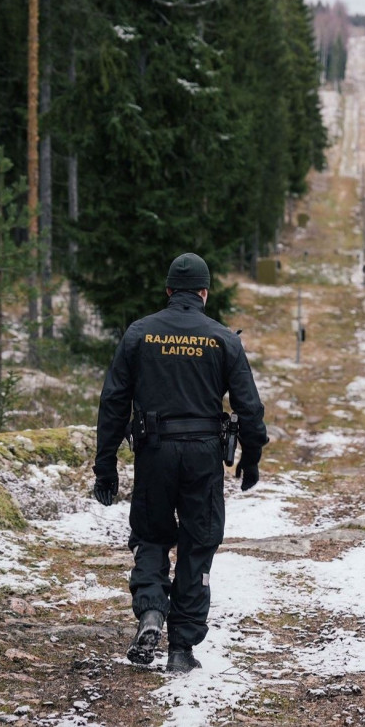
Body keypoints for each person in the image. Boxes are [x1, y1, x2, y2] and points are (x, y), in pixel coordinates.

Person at [91, 252, 267, 673]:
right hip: (204, 456)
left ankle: (151, 610)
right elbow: (250, 409)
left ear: (169, 290)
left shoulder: (139, 334)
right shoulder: (223, 338)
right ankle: (182, 648)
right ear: (204, 292)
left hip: (154, 452)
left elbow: (113, 402)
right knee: (197, 543)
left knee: (151, 536)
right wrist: (251, 457)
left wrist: (106, 465)